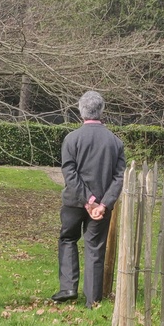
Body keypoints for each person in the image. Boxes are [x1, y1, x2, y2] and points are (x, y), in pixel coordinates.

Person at [53, 91, 127, 307]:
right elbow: (119, 177)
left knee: (68, 239)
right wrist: (102, 203)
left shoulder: (72, 139)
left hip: (74, 203)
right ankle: (92, 299)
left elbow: (70, 173)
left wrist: (88, 200)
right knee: (95, 247)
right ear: (102, 110)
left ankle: (68, 287)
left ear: (80, 110)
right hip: (101, 207)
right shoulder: (115, 142)